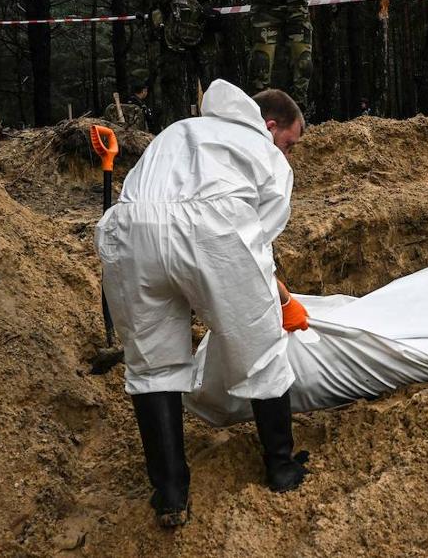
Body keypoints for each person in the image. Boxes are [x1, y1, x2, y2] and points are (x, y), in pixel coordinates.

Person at [95, 79, 310, 528]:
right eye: (289, 144)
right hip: (213, 230)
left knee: (152, 366)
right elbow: (258, 240)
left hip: (131, 231)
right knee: (260, 350)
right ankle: (282, 468)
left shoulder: (179, 130)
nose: (287, 154)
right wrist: (279, 299)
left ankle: (170, 494)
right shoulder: (265, 153)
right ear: (270, 126)